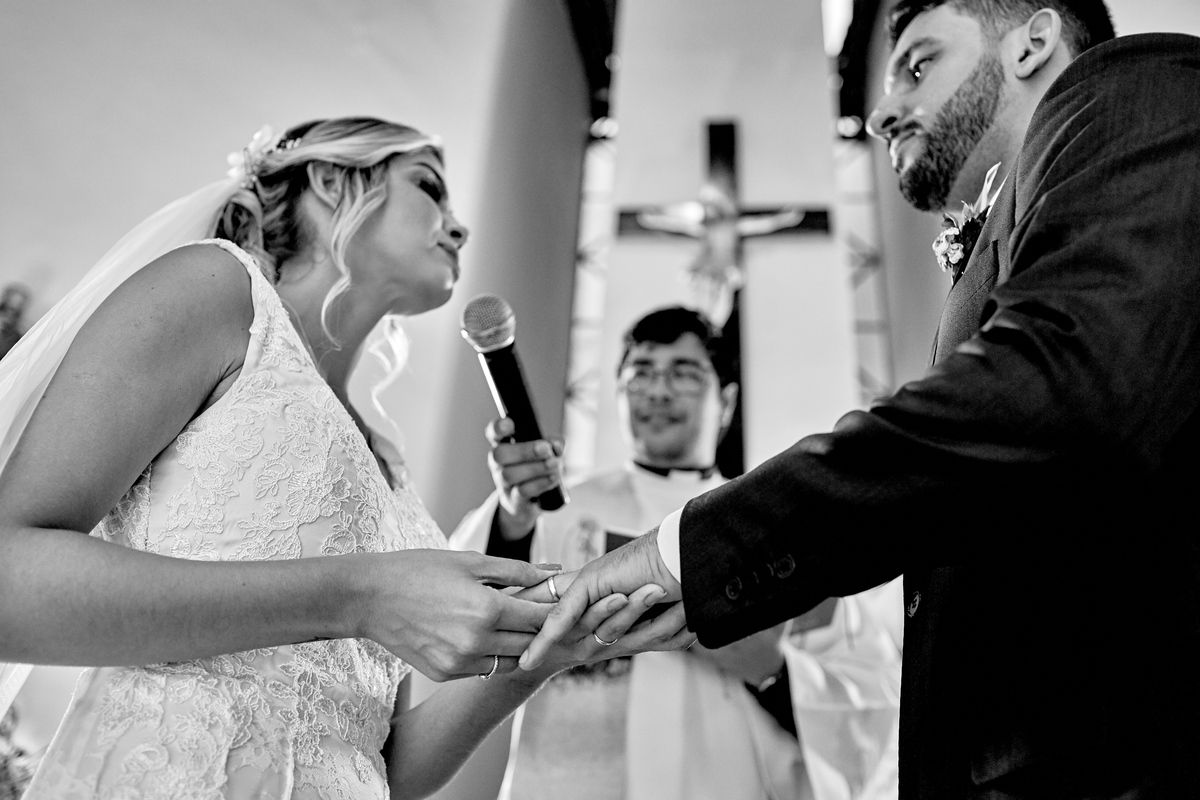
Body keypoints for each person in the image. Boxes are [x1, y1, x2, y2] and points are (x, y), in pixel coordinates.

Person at [524, 2, 1200, 798]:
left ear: (1035, 41)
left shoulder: (1138, 91)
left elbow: (1069, 385)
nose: (880, 113)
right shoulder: (1007, 238)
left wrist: (687, 553)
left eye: (919, 64)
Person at [0, 117, 691, 799]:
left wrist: (546, 657)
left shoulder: (386, 460)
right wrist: (359, 595)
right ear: (332, 182)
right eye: (429, 187)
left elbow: (379, 761)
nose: (459, 226)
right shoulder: (217, 292)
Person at [453, 306, 903, 800]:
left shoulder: (775, 522)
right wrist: (513, 521)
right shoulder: (558, 510)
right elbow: (466, 618)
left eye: (683, 374)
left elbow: (869, 703)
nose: (659, 391)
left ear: (726, 400)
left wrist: (770, 670)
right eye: (641, 373)